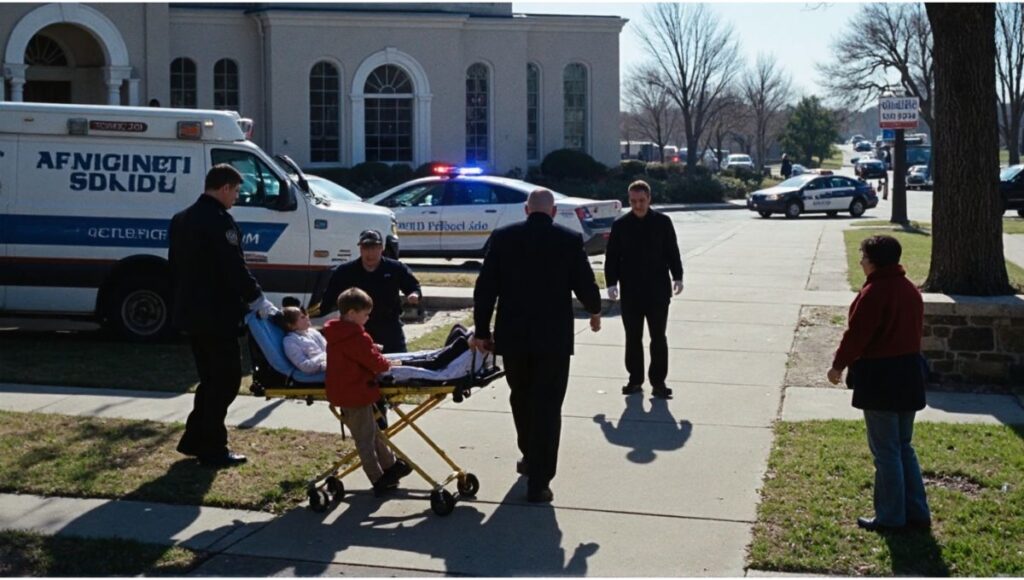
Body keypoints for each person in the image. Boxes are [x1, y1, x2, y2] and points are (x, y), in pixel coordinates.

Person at [471, 188, 602, 503]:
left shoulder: (503, 238)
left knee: (521, 397)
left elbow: (485, 287)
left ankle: (530, 454)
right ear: (553, 212)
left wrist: (481, 330)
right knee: (548, 405)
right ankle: (540, 481)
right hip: (553, 339)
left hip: (513, 337)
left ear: (527, 211)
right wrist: (595, 309)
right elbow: (585, 283)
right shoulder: (569, 240)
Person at [169, 164, 279, 467]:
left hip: (191, 313)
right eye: (236, 192)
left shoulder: (181, 219)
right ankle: (213, 447)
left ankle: (194, 438)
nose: (236, 199)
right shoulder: (220, 222)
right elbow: (233, 266)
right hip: (218, 315)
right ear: (225, 188)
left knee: (209, 380)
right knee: (226, 381)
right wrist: (256, 297)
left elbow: (175, 267)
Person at [827, 235, 931, 532]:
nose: (860, 260)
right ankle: (916, 512)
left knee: (886, 451)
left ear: (874, 261)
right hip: (909, 375)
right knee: (903, 447)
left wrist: (837, 366)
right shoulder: (909, 289)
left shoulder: (875, 292)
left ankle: (890, 517)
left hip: (882, 379)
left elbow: (856, 336)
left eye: (863, 256)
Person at [323, 287, 412, 496]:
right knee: (365, 439)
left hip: (349, 391)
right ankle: (377, 477)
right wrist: (385, 362)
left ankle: (390, 465)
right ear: (352, 314)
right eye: (365, 314)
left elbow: (359, 355)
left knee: (373, 433)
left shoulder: (339, 333)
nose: (368, 318)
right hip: (355, 393)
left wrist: (373, 349)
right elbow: (373, 362)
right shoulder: (354, 336)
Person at [604, 180, 684, 399]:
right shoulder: (621, 225)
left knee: (658, 337)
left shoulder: (663, 223)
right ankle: (635, 380)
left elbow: (672, 251)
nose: (637, 205)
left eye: (641, 201)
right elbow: (612, 257)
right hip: (631, 291)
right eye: (633, 201)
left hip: (658, 291)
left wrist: (678, 276)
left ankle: (658, 382)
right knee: (633, 337)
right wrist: (611, 283)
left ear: (649, 199)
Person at [316, 229, 421, 354]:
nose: (370, 253)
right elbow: (329, 299)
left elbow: (413, 287)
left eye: (374, 248)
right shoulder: (345, 271)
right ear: (360, 249)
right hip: (356, 328)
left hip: (389, 326)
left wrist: (414, 294)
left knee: (396, 363)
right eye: (366, 248)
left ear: (381, 248)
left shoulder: (395, 268)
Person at [278, 306, 327, 374]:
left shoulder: (313, 332)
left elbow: (328, 348)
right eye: (302, 317)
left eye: (306, 315)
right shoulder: (290, 341)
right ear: (291, 325)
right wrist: (325, 356)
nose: (307, 317)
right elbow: (305, 366)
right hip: (322, 370)